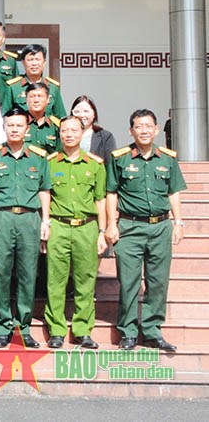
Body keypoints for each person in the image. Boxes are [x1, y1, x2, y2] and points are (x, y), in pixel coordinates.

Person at [106, 109, 186, 352]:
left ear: (157, 129)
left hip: (160, 226)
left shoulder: (168, 158)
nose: (143, 130)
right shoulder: (119, 158)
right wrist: (111, 224)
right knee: (129, 281)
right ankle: (128, 331)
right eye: (138, 126)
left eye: (148, 126)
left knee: (158, 281)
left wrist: (178, 222)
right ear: (131, 130)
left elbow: (173, 192)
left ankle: (152, 330)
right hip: (130, 226)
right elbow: (111, 192)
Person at [0, 107, 51, 349]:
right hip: (2, 218)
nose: (14, 129)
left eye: (19, 125)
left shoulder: (38, 157)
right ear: (4, 126)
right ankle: (1, 327)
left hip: (29, 219)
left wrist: (46, 220)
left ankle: (23, 327)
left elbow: (44, 190)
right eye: (10, 125)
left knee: (27, 274)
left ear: (27, 129)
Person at [44, 116, 107, 350]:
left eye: (73, 130)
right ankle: (57, 330)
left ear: (83, 133)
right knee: (55, 280)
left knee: (85, 279)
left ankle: (82, 330)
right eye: (64, 131)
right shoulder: (49, 163)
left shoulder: (95, 164)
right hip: (58, 226)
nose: (68, 134)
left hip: (87, 227)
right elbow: (46, 196)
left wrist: (102, 231)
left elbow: (100, 200)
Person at [5, 44, 66, 118]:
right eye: (30, 60)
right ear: (23, 63)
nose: (34, 63)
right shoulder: (14, 87)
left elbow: (60, 117)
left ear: (44, 63)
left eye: (37, 59)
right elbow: (6, 116)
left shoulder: (53, 88)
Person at [71, 95, 117, 164]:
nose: (81, 115)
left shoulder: (105, 137)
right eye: (77, 111)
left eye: (86, 111)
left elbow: (110, 165)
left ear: (94, 114)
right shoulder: (65, 135)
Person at [24, 82, 61, 154]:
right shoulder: (18, 124)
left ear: (48, 100)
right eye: (32, 96)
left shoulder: (56, 126)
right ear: (26, 99)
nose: (36, 100)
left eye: (40, 96)